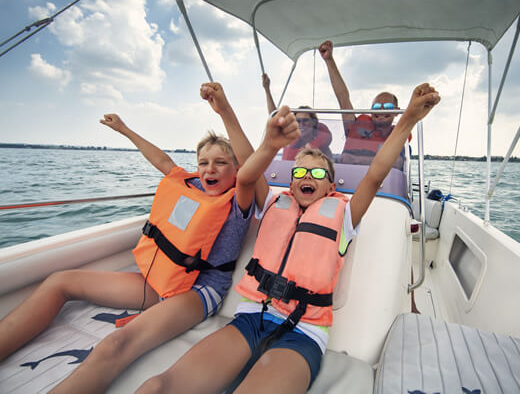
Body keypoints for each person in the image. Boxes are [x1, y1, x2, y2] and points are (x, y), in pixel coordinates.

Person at [135, 82, 440, 394]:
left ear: (331, 187)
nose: (307, 177)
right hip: (250, 319)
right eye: (300, 173)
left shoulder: (345, 215)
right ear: (290, 185)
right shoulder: (271, 204)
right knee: (159, 387)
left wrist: (408, 120)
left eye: (318, 173)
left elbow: (376, 173)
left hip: (304, 333)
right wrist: (225, 109)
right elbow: (247, 166)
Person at [0, 82, 267, 394]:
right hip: (162, 280)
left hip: (198, 290)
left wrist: (224, 111)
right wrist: (125, 129)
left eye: (221, 162)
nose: (210, 169)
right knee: (60, 281)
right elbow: (162, 161)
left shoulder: (239, 201)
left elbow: (251, 169)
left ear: (235, 170)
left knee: (114, 345)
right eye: (204, 162)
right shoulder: (190, 185)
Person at [318, 40, 408, 168]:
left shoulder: (399, 135)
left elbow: (397, 163)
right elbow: (343, 98)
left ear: (397, 111)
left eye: (387, 107)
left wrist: (352, 159)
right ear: (371, 111)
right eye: (376, 107)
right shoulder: (355, 125)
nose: (381, 110)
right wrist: (329, 60)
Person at [262, 73, 333, 160]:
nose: (301, 124)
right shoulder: (289, 136)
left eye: (305, 120)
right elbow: (274, 117)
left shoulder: (322, 143)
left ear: (314, 122)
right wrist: (267, 90)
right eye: (298, 121)